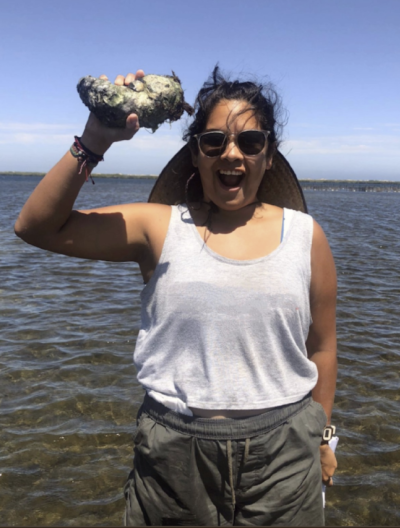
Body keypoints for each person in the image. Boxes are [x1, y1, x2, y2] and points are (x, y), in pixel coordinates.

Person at [15, 66, 337, 526]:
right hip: (174, 454)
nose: (232, 154)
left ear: (269, 155)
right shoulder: (159, 226)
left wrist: (324, 438)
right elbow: (36, 227)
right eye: (214, 142)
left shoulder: (307, 236)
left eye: (250, 143)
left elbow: (322, 347)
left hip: (285, 453)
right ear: (196, 153)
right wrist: (95, 139)